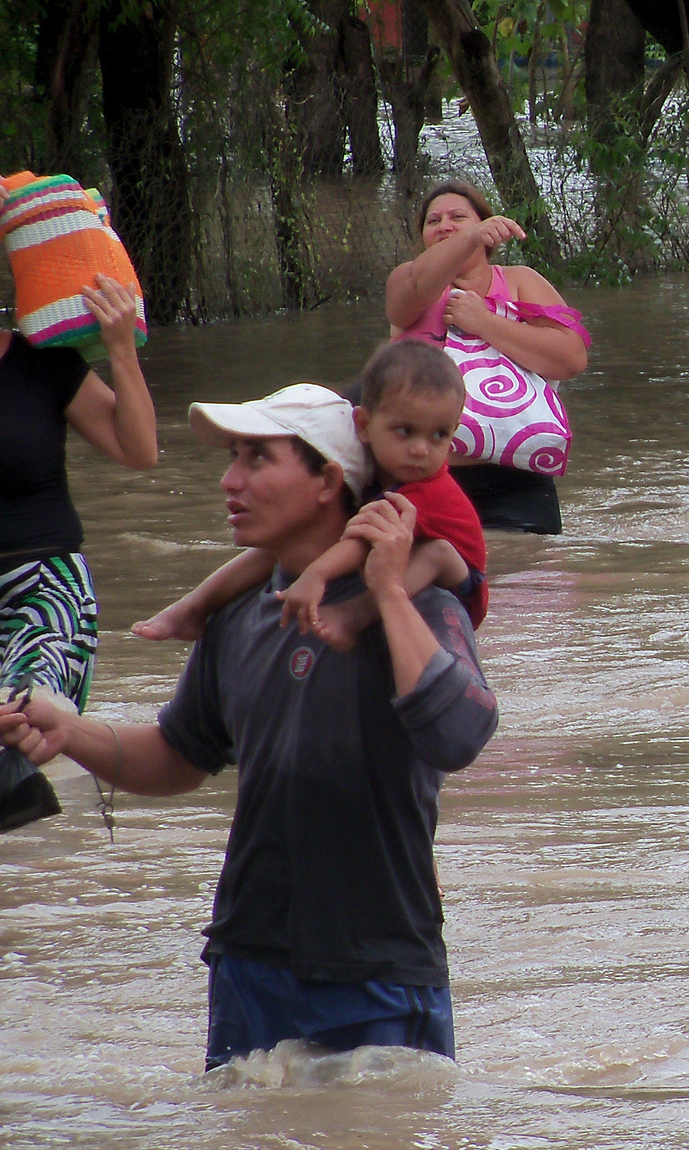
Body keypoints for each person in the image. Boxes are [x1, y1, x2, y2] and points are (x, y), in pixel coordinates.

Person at [0, 383, 498, 1069]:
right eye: (234, 458)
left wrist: (384, 589)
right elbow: (180, 754)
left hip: (379, 972)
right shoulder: (238, 616)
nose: (231, 481)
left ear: (329, 479)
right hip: (247, 960)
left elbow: (459, 737)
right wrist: (67, 729)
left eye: (258, 459)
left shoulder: (421, 608)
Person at [133, 344, 488, 646]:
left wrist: (316, 574)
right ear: (364, 426)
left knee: (435, 552)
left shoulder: (423, 489)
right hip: (395, 546)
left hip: (461, 580)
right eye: (405, 431)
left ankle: (355, 614)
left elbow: (363, 540)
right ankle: (194, 606)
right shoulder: (377, 470)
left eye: (439, 436)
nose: (420, 450)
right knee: (280, 543)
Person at [0, 275, 155, 833]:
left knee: (24, 712)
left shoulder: (42, 362)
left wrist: (121, 351)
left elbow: (139, 451)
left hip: (47, 588)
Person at [387, 180, 588, 534]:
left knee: (530, 582)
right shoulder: (407, 282)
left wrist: (483, 322)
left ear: (486, 227)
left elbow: (571, 359)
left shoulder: (520, 281)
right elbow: (414, 290)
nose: (444, 225)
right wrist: (464, 238)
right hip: (425, 473)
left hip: (516, 477)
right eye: (433, 221)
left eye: (458, 217)